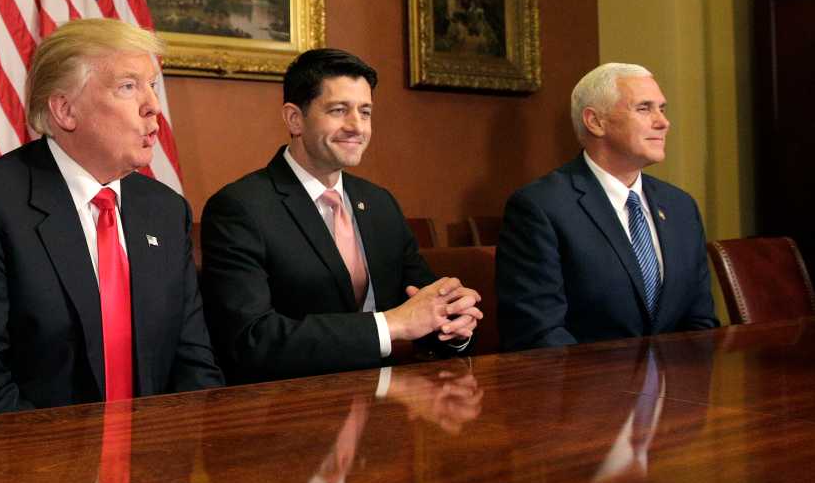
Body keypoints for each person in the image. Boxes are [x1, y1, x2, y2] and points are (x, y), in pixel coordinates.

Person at [0, 18, 222, 419]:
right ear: (65, 109)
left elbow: (194, 364)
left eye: (152, 86)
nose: (154, 107)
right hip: (29, 466)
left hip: (152, 466)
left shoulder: (164, 210)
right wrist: (70, 476)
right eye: (128, 87)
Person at [199, 48, 480, 383]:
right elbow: (252, 340)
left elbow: (419, 308)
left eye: (365, 112)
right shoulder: (240, 207)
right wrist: (391, 324)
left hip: (386, 408)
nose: (356, 127)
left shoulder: (380, 204)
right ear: (294, 119)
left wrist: (453, 323)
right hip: (290, 412)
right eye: (338, 110)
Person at [496, 62, 718, 350]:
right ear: (595, 122)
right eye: (644, 108)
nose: (663, 122)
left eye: (662, 108)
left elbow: (701, 324)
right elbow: (539, 334)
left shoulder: (680, 207)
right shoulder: (540, 208)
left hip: (678, 389)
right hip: (584, 389)